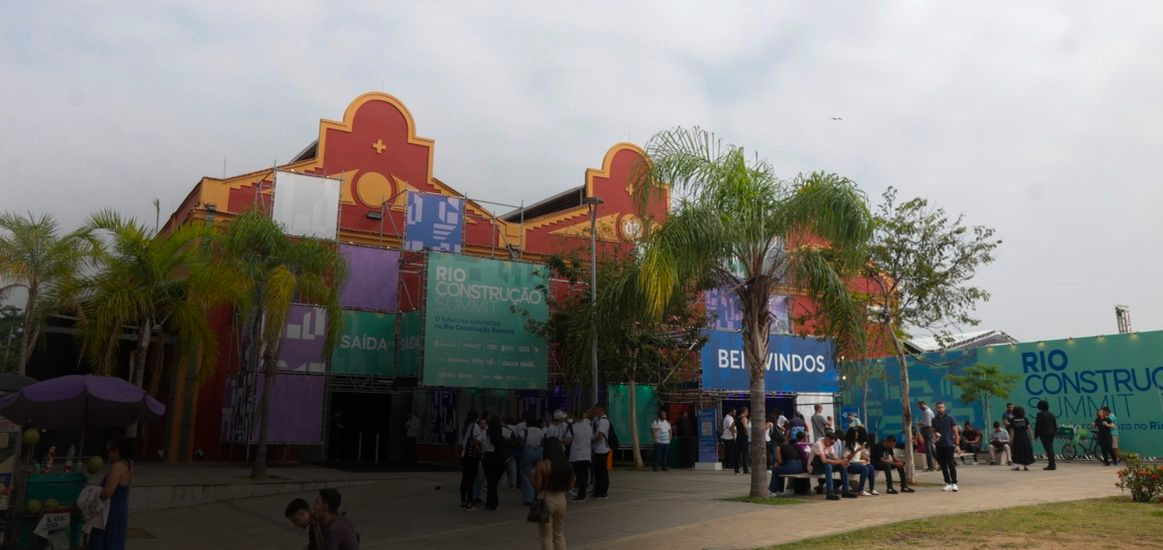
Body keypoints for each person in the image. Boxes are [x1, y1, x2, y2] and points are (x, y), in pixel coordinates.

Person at [88, 436, 135, 550]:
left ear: (117, 450)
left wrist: (92, 494)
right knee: (115, 541)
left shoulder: (117, 467)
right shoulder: (129, 465)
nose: (108, 454)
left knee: (105, 541)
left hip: (110, 511)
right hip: (120, 510)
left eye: (108, 450)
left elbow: (108, 492)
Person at [533, 437, 575, 550]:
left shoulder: (542, 465)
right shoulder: (566, 464)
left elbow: (537, 486)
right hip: (561, 500)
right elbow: (571, 484)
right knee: (559, 534)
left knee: (546, 537)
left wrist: (531, 478)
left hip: (545, 499)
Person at [807, 430, 856, 500]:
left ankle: (846, 491)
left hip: (822, 466)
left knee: (842, 467)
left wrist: (843, 461)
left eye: (833, 443)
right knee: (828, 466)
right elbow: (824, 460)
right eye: (831, 442)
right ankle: (830, 492)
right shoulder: (818, 444)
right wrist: (839, 462)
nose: (832, 444)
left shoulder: (829, 445)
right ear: (827, 439)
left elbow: (834, 457)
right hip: (813, 467)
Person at [482, 415, 516, 510]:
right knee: (495, 481)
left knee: (490, 481)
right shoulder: (504, 431)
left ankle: (489, 503)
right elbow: (512, 439)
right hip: (500, 458)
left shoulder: (485, 432)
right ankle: (493, 503)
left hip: (487, 457)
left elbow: (478, 441)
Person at [563, 408, 593, 501]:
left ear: (575, 417)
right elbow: (591, 438)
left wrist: (559, 440)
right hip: (587, 454)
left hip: (577, 454)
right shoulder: (588, 426)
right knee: (585, 475)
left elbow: (568, 441)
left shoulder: (573, 427)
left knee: (580, 476)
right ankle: (583, 493)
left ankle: (581, 495)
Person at [931, 401, 960, 491]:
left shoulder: (950, 418)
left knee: (951, 464)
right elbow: (934, 432)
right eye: (938, 407)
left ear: (945, 408)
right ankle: (948, 483)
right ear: (936, 408)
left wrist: (957, 445)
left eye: (942, 407)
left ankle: (954, 483)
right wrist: (935, 437)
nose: (940, 409)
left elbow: (956, 432)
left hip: (949, 445)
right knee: (943, 465)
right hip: (939, 445)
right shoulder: (934, 420)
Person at [520, 412, 547, 505]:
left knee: (526, 475)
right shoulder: (540, 431)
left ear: (527, 423)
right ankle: (538, 495)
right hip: (538, 451)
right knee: (538, 474)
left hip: (527, 451)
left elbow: (518, 440)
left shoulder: (524, 431)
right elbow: (542, 442)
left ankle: (529, 499)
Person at [459, 410, 484, 510]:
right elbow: (477, 441)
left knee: (464, 478)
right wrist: (480, 452)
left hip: (464, 455)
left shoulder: (465, 426)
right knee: (471, 479)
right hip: (472, 456)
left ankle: (463, 500)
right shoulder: (475, 426)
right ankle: (470, 501)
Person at [843, 426, 876, 496]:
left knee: (871, 467)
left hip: (857, 462)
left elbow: (859, 454)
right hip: (850, 464)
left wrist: (866, 458)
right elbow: (847, 458)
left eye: (857, 435)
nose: (857, 437)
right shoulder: (848, 444)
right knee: (865, 468)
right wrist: (856, 450)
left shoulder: (857, 443)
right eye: (856, 435)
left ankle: (872, 489)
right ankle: (861, 490)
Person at [591, 403, 612, 499]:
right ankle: (599, 490)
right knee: (599, 471)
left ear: (600, 410)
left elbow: (600, 436)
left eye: (596, 409)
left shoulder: (603, 421)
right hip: (599, 448)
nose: (594, 411)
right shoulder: (599, 420)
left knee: (601, 471)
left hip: (601, 449)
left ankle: (602, 492)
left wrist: (590, 441)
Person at [1034, 400, 1059, 471]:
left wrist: (1036, 434)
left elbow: (1038, 425)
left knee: (1048, 449)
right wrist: (1055, 432)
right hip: (1051, 433)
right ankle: (1052, 464)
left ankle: (1052, 465)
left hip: (1044, 434)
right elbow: (1054, 424)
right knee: (1050, 448)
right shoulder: (1051, 414)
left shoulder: (1039, 414)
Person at [1009, 406, 1035, 471]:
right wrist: (1031, 437)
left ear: (1014, 412)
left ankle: (1016, 466)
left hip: (1017, 438)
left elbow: (1012, 431)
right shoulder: (1025, 419)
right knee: (1025, 451)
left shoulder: (1012, 420)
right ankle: (1025, 466)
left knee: (1016, 452)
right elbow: (1029, 428)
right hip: (1025, 437)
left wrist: (1011, 440)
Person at [918, 400, 937, 471]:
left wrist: (920, 423)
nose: (920, 408)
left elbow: (928, 423)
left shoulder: (927, 412)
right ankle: (941, 463)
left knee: (928, 449)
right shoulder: (926, 411)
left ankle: (930, 467)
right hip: (928, 430)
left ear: (923, 404)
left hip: (928, 430)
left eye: (920, 406)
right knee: (931, 449)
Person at [735, 407, 751, 474]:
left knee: (737, 454)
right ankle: (745, 469)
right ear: (744, 412)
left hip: (738, 437)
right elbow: (745, 427)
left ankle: (737, 469)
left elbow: (731, 427)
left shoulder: (736, 419)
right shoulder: (744, 419)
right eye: (747, 412)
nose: (747, 413)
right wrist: (747, 433)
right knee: (745, 454)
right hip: (744, 438)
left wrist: (736, 433)